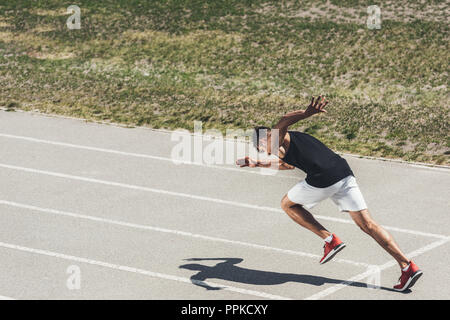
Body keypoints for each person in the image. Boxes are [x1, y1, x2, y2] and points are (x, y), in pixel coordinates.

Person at [236, 95, 423, 292]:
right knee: (368, 224)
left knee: (287, 204)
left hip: (323, 178)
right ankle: (407, 266)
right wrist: (257, 163)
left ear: (266, 136)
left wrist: (306, 113)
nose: (265, 152)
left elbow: (284, 120)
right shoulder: (288, 143)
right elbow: (288, 165)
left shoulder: (277, 137)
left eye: (261, 148)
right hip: (342, 173)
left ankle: (329, 240)